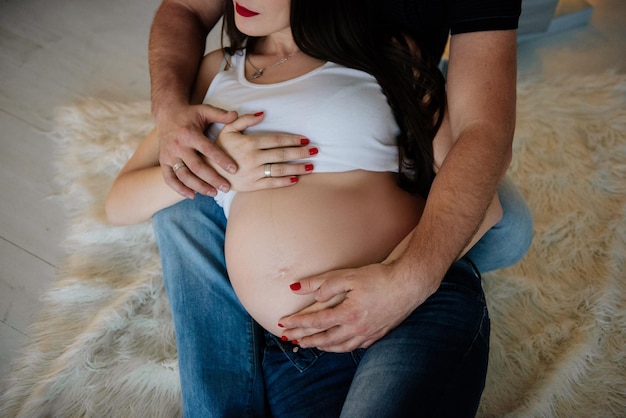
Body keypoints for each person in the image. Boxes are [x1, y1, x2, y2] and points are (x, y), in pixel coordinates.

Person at [108, 0, 503, 415]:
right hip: (302, 351)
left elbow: (485, 203)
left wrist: (397, 281)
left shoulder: (385, 53)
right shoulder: (216, 72)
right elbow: (120, 201)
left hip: (410, 310)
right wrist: (220, 165)